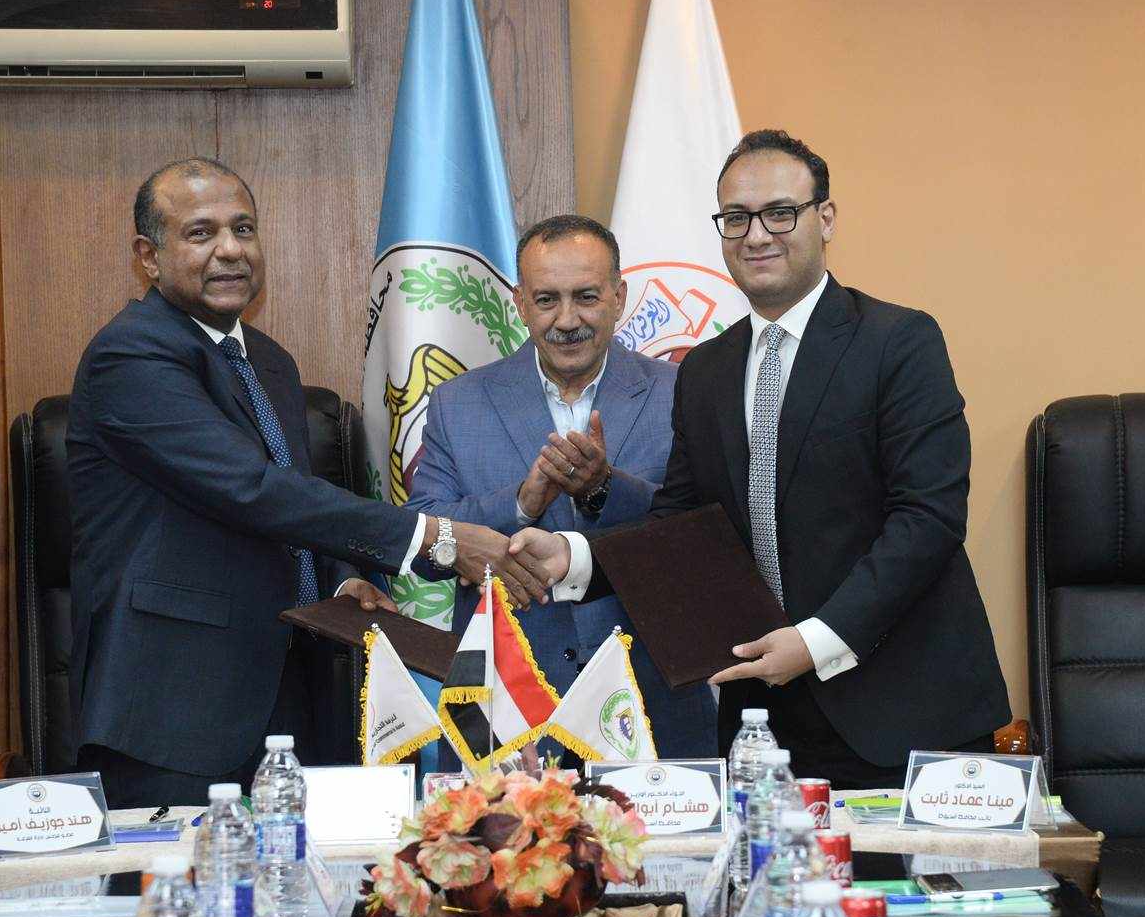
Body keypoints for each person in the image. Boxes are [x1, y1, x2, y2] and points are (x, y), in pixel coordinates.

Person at [513, 130, 1010, 787]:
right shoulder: (706, 370)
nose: (756, 236)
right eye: (736, 218)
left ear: (825, 218)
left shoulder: (899, 342)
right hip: (762, 717)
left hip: (900, 711)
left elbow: (929, 519)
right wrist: (574, 556)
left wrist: (815, 640)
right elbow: (680, 529)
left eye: (780, 213)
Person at [67, 158, 548, 806]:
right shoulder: (130, 355)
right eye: (201, 233)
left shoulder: (268, 362)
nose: (231, 249)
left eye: (244, 229)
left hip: (292, 693)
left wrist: (340, 581)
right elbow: (249, 489)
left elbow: (288, 504)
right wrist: (437, 539)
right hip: (174, 708)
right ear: (148, 257)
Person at [404, 214, 717, 758]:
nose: (567, 320)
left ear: (619, 298)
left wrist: (604, 489)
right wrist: (520, 504)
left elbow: (708, 532)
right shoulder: (459, 403)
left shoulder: (683, 391)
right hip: (507, 716)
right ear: (520, 304)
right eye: (547, 300)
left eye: (586, 297)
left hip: (652, 707)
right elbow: (426, 547)